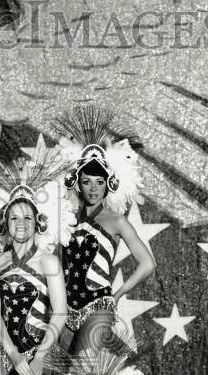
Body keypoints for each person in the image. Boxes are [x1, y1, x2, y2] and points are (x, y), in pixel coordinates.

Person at [0, 151, 72, 375]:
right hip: (5, 351)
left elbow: (61, 312)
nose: (21, 224)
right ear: (5, 222)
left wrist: (38, 357)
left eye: (27, 218)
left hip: (41, 349)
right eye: (14, 218)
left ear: (37, 222)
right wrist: (13, 355)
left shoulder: (49, 262)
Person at [54, 106, 156, 354]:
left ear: (108, 184)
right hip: (64, 310)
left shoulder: (117, 220)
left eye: (99, 182)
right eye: (87, 181)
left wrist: (119, 293)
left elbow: (147, 263)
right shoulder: (65, 217)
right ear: (77, 183)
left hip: (98, 307)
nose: (93, 188)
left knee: (81, 372)